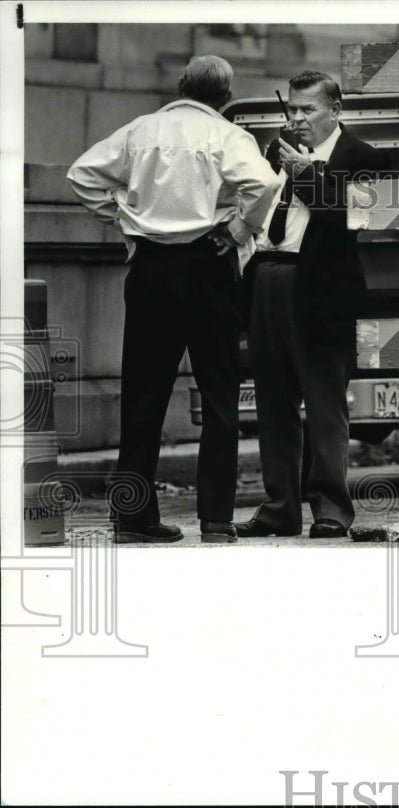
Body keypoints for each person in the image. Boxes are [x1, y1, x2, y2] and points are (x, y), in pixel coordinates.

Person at [67, 55, 282, 543]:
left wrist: (124, 220)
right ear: (225, 98)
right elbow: (265, 182)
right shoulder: (228, 136)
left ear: (181, 85)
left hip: (150, 271)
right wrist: (240, 227)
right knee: (220, 396)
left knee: (142, 398)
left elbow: (82, 175)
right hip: (208, 265)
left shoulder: (141, 130)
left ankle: (131, 518)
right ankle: (216, 519)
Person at [235, 70, 388, 539]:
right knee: (273, 403)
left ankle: (331, 508)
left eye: (308, 110)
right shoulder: (274, 150)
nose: (297, 119)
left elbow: (355, 218)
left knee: (325, 402)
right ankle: (280, 504)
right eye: (292, 110)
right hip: (268, 278)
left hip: (321, 287)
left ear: (335, 110)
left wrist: (305, 174)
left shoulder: (361, 157)